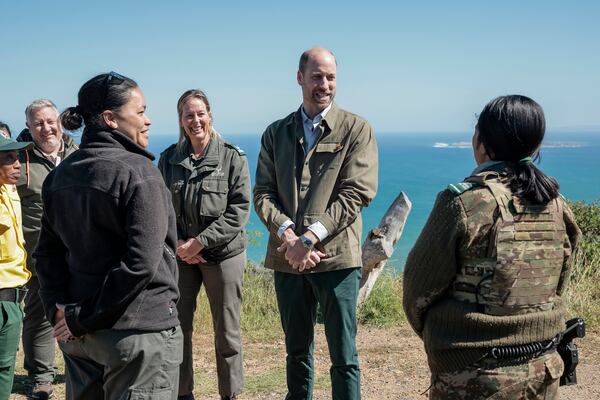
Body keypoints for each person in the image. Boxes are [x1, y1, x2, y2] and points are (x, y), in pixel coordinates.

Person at [403, 95, 582, 399]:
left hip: (473, 376)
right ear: (534, 146)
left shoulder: (463, 203)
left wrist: (440, 334)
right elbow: (557, 283)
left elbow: (417, 290)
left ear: (482, 143)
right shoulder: (556, 205)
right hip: (544, 370)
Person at [34, 72, 183, 400]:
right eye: (141, 112)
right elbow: (141, 265)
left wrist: (59, 311)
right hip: (135, 336)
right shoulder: (141, 174)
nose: (148, 120)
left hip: (80, 339)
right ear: (111, 119)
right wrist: (78, 318)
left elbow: (47, 255)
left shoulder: (59, 176)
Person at [254, 47, 378, 400]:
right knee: (296, 353)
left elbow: (357, 193)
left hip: (336, 260)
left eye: (331, 77)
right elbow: (262, 193)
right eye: (317, 76)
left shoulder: (356, 129)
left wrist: (307, 238)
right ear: (300, 78)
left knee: (344, 356)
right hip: (287, 260)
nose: (324, 84)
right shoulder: (275, 133)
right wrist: (288, 235)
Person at [158, 89, 251, 400]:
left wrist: (200, 242)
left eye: (200, 113)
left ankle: (230, 394)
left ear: (210, 115)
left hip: (223, 256)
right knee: (177, 331)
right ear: (181, 121)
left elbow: (238, 210)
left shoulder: (231, 158)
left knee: (227, 333)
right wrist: (181, 244)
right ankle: (183, 394)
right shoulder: (169, 159)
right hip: (181, 257)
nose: (195, 120)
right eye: (188, 115)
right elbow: (160, 209)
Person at [15, 99, 78, 400]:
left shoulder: (78, 155)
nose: (46, 127)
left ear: (60, 121)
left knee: (80, 311)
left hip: (79, 252)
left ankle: (80, 367)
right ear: (28, 127)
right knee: (40, 317)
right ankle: (41, 377)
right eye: (38, 123)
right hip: (37, 254)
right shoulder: (19, 161)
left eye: (50, 120)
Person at [0, 135, 33, 399]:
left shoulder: (9, 190)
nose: (17, 165)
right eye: (8, 159)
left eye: (18, 158)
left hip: (13, 297)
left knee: (5, 367)